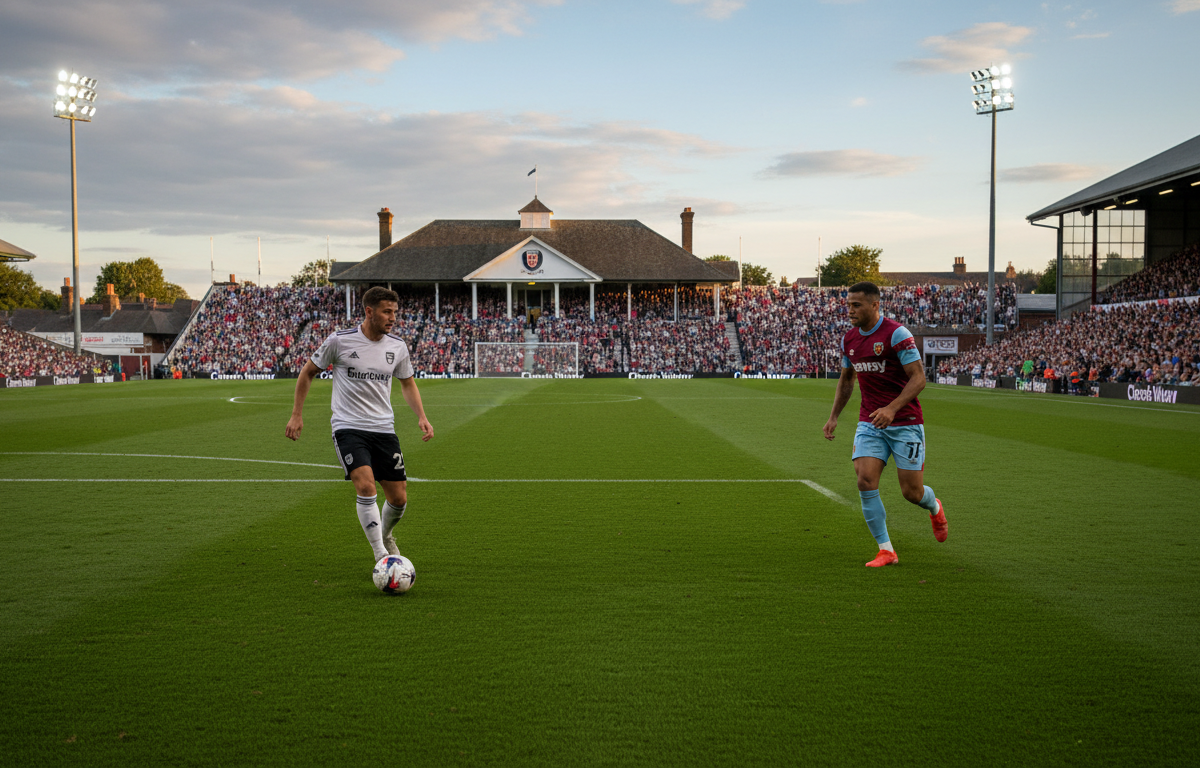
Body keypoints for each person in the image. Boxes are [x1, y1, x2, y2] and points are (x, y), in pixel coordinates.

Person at [285, 286, 434, 564]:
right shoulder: (339, 341)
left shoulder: (397, 346)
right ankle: (381, 557)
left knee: (399, 499)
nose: (392, 318)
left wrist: (421, 416)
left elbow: (407, 383)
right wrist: (297, 414)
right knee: (366, 487)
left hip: (384, 428)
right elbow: (307, 372)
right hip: (348, 426)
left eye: (395, 312)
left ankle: (386, 535)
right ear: (369, 311)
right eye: (387, 312)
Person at [823, 281, 947, 567]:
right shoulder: (848, 340)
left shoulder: (896, 334)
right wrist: (833, 417)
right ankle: (886, 550)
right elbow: (846, 380)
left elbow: (918, 378)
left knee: (911, 493)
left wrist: (892, 409)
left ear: (875, 305)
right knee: (865, 479)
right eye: (848, 305)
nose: (850, 310)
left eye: (857, 305)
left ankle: (935, 506)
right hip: (870, 421)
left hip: (905, 421)